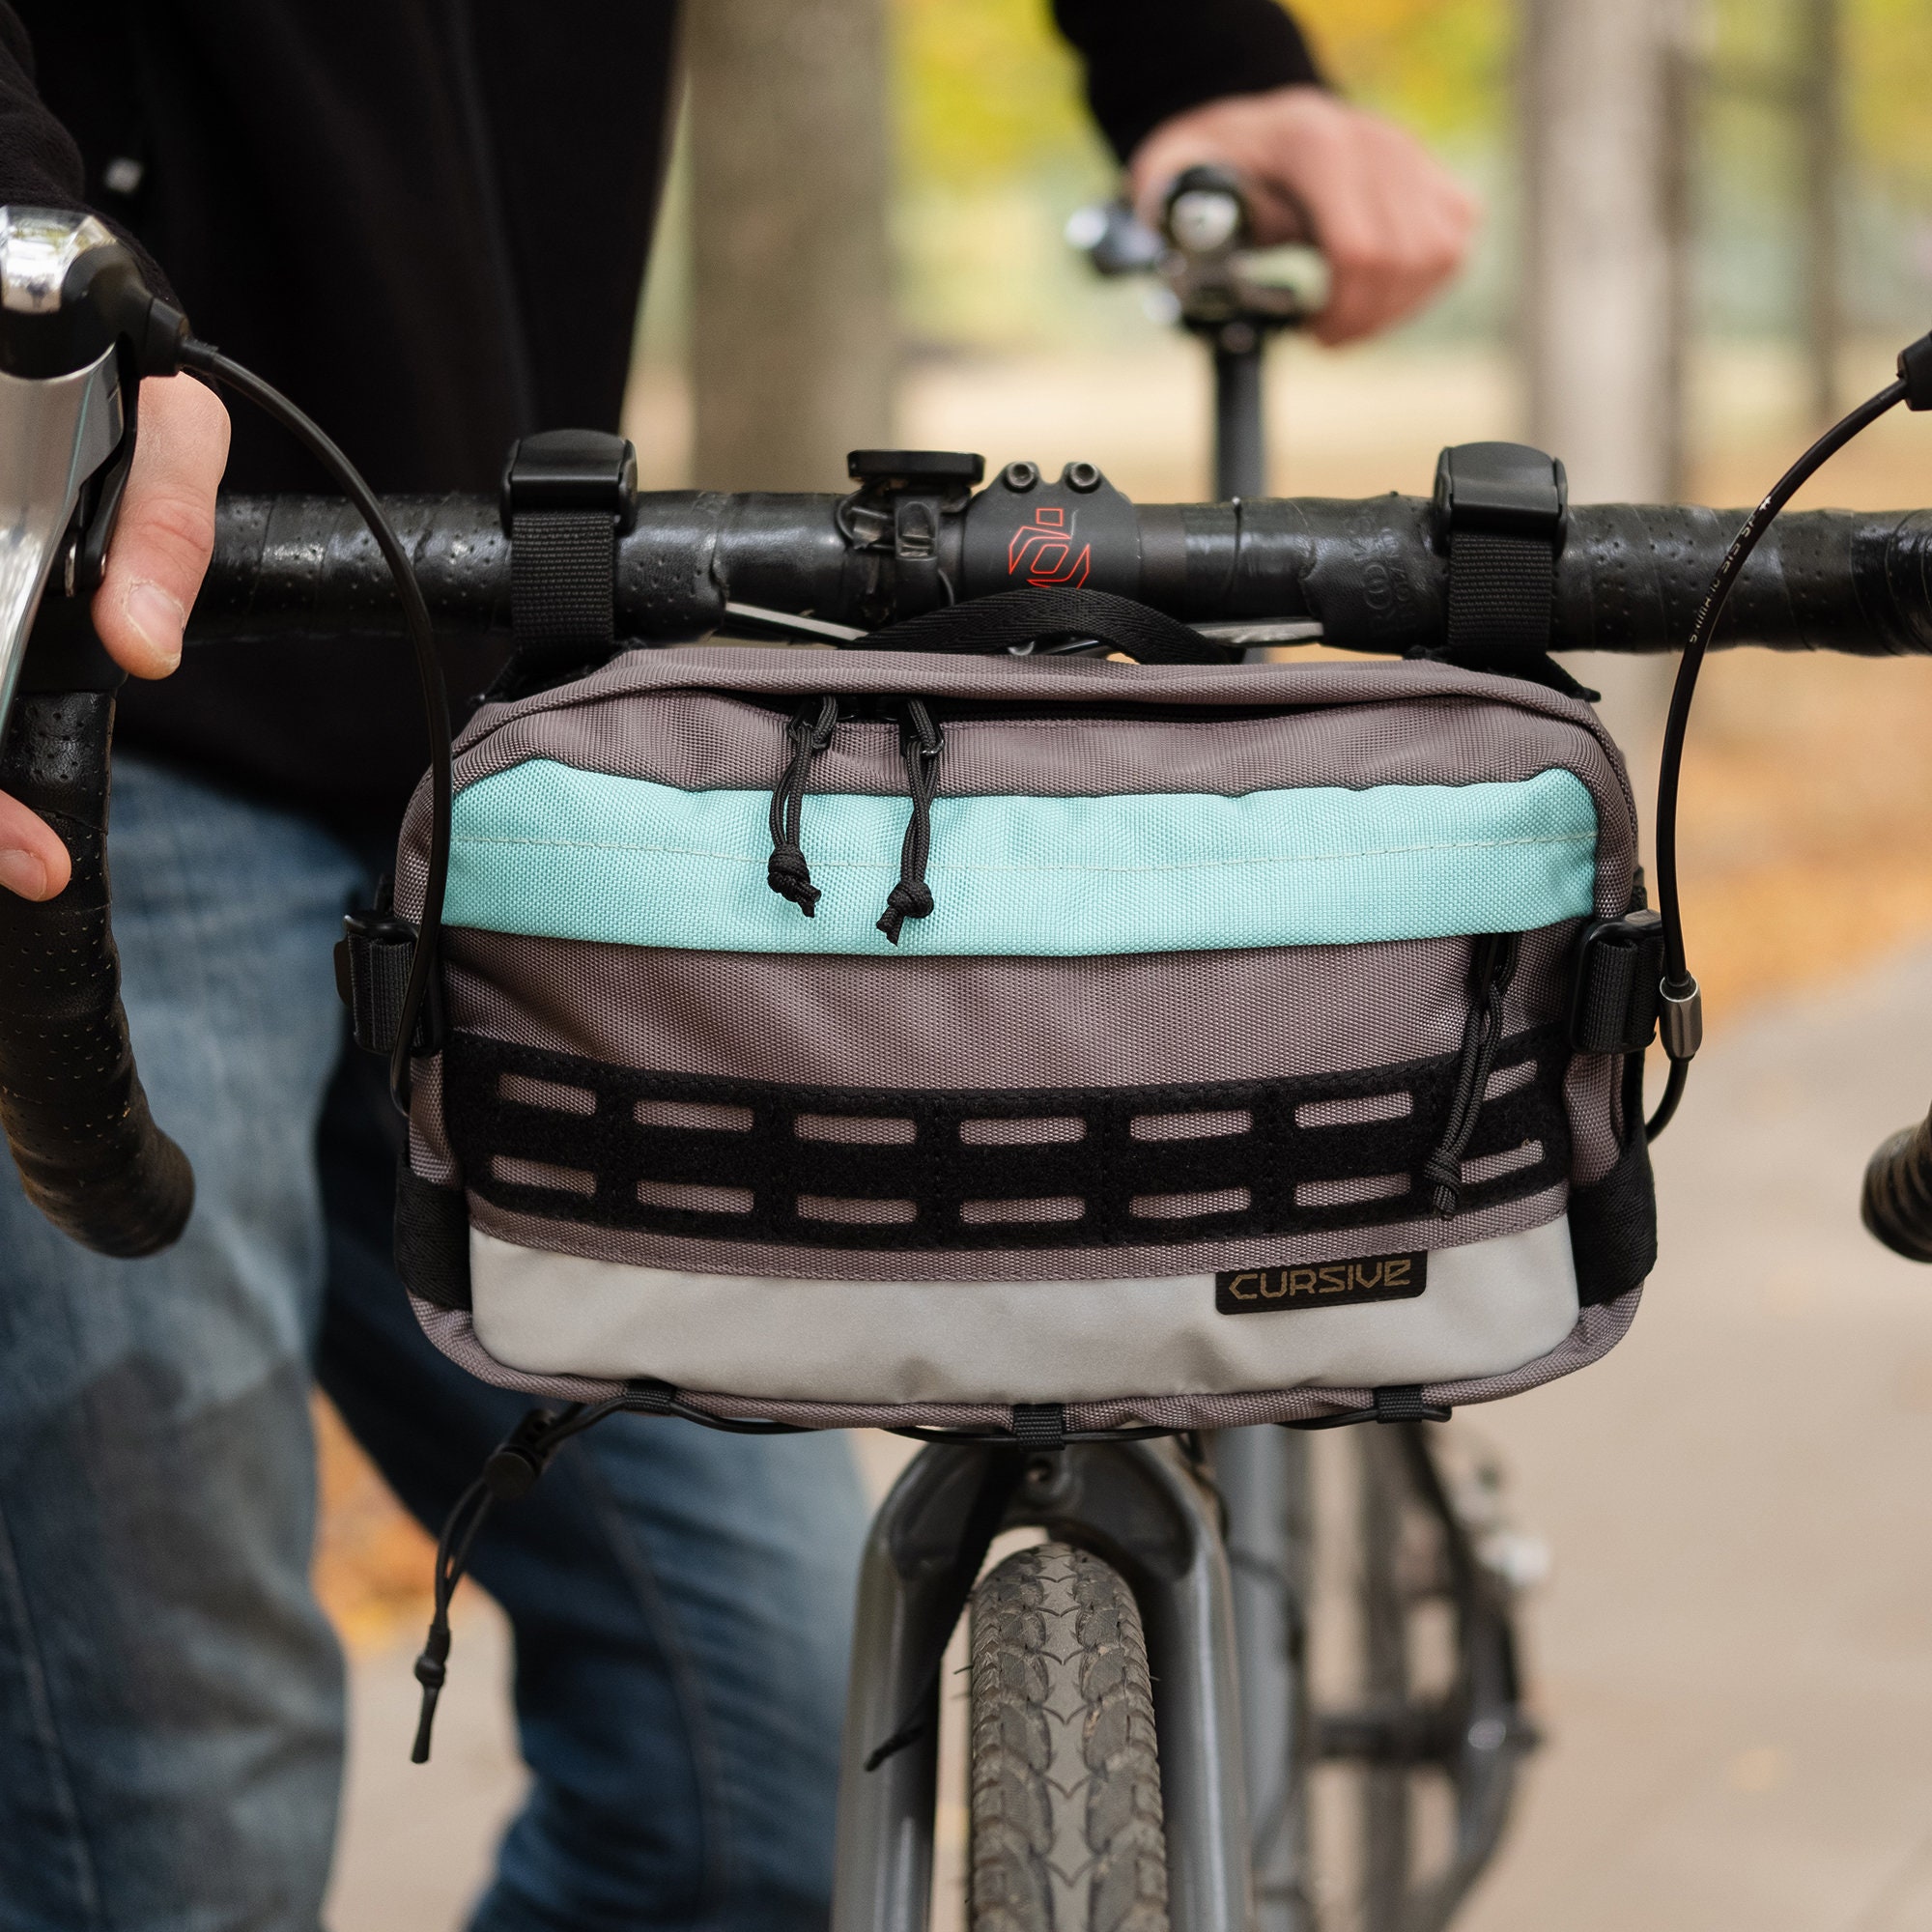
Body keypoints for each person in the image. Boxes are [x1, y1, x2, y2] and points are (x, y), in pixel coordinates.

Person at [0, 4, 1476, 1925]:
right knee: (170, 1824)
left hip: (497, 731)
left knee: (768, 1772)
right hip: (94, 696)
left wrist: (1188, 44)